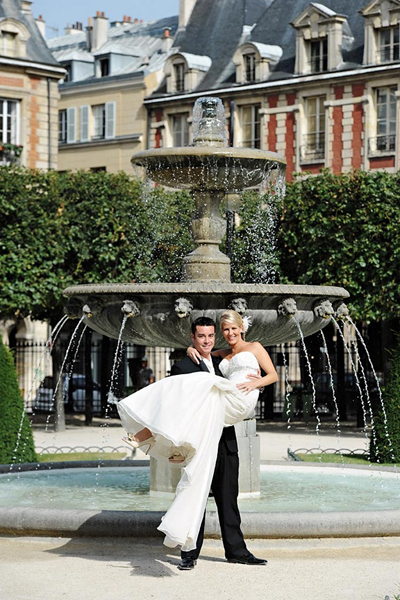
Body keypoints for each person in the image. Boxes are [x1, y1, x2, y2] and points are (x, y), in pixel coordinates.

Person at [117, 310, 278, 563]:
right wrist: (176, 448)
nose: (207, 341)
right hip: (200, 440)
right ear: (193, 338)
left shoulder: (225, 362)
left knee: (228, 499)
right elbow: (178, 408)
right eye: (201, 336)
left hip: (225, 439)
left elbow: (258, 376)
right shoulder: (184, 365)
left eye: (211, 336)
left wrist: (257, 382)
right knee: (195, 491)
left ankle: (237, 552)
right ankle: (189, 554)